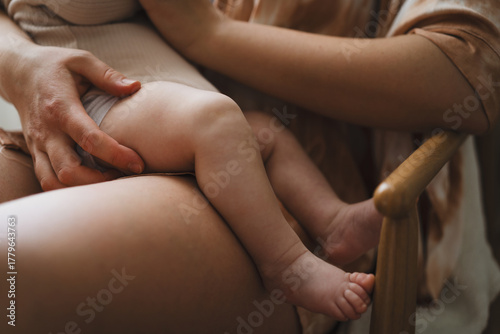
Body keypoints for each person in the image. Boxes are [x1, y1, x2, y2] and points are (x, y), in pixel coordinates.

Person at [0, 1, 499, 334]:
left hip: (177, 133)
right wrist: (19, 64)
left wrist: (208, 33)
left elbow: (474, 72)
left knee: (250, 129)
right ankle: (289, 259)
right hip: (81, 110)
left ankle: (312, 238)